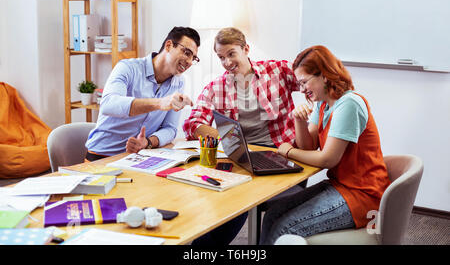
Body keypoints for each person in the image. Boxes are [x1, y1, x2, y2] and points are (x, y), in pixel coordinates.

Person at [259, 45, 391, 245]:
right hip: (340, 186)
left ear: (325, 76)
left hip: (363, 196)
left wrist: (289, 151)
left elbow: (328, 159)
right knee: (271, 215)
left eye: (304, 82)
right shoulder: (323, 103)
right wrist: (299, 120)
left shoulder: (349, 104)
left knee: (283, 227)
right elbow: (310, 147)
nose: (301, 89)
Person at [183, 27, 301, 245]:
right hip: (242, 159)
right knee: (225, 200)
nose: (226, 62)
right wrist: (224, 136)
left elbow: (312, 80)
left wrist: (318, 111)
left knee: (238, 201)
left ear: (246, 49)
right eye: (221, 57)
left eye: (231, 54)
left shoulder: (278, 71)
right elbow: (192, 123)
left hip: (283, 155)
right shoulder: (216, 87)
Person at [85, 26, 201, 160]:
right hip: (102, 156)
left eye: (194, 58)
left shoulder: (178, 83)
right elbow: (108, 104)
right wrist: (159, 103)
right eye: (187, 53)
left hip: (139, 157)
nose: (189, 62)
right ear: (168, 45)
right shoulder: (128, 68)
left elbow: (170, 129)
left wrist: (148, 142)